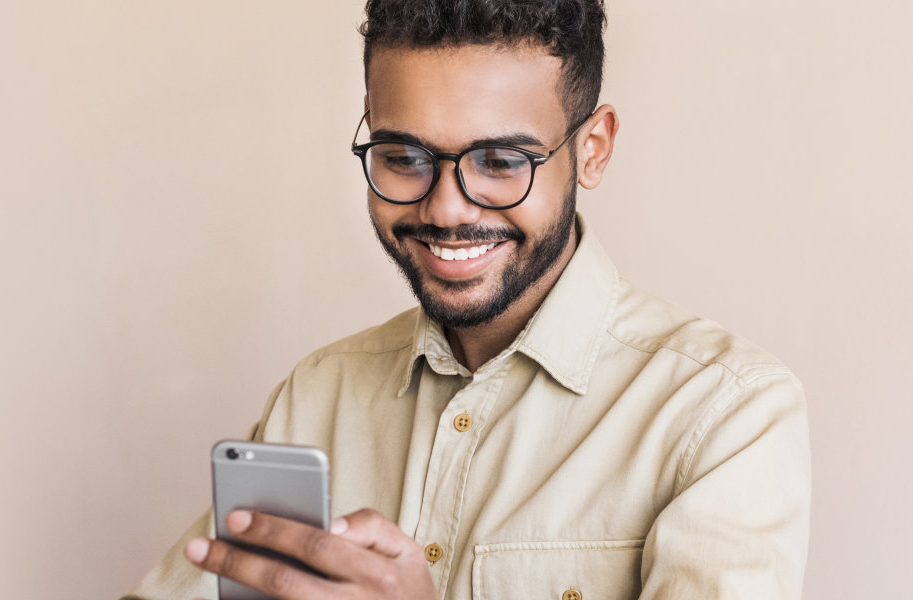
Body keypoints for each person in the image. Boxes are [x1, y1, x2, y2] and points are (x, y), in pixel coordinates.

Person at [123, 1, 810, 598]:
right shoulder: (318, 395)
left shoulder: (724, 414)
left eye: (502, 162)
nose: (448, 209)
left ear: (592, 150)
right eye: (404, 157)